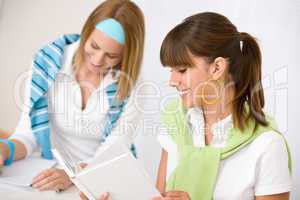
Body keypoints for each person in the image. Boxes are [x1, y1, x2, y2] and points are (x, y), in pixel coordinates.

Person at [0, 0, 145, 192]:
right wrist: (4, 150)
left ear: (127, 55)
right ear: (86, 32)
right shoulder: (48, 62)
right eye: (94, 46)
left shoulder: (132, 85)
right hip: (52, 174)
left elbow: (112, 154)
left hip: (103, 179)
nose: (97, 59)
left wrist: (73, 174)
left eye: (111, 55)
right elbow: (29, 134)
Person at [153, 12, 292, 200]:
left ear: (217, 68)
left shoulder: (266, 145)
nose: (172, 81)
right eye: (171, 71)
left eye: (182, 70)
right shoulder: (175, 122)